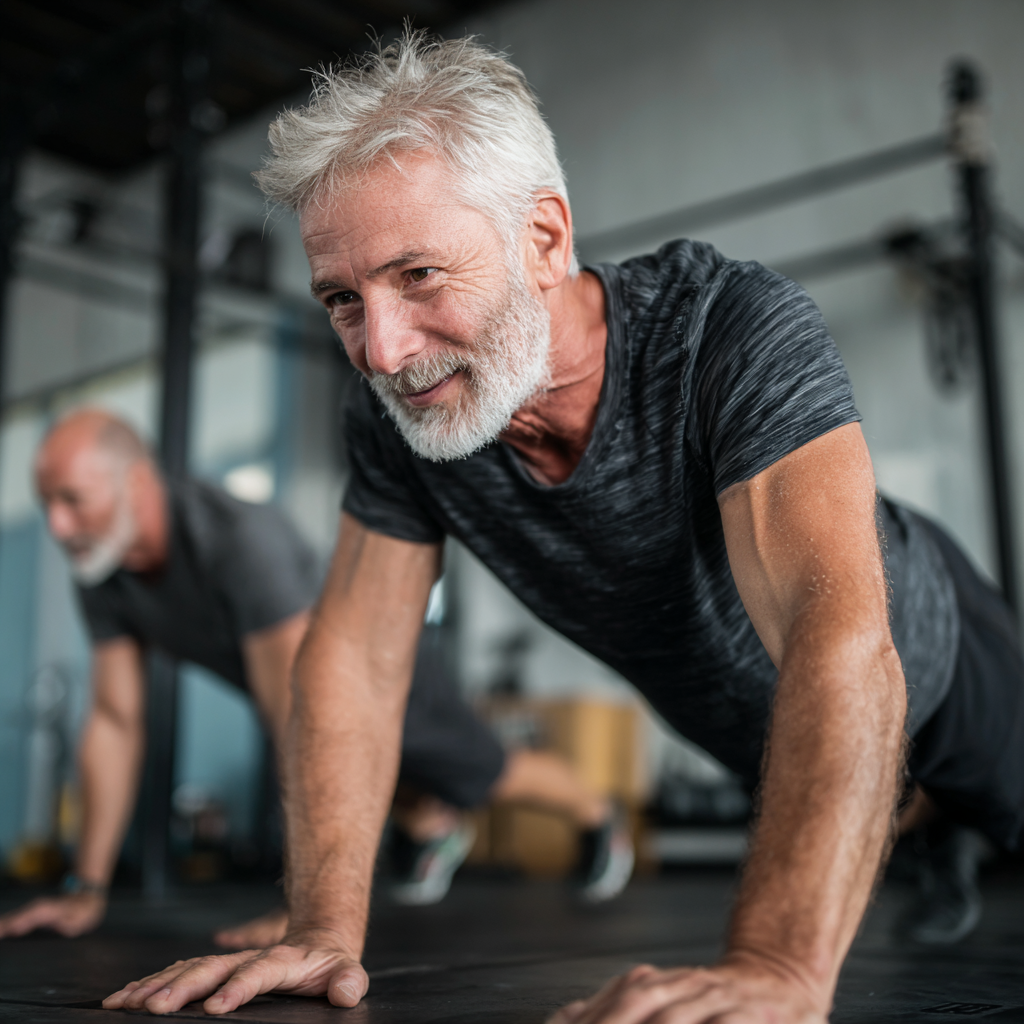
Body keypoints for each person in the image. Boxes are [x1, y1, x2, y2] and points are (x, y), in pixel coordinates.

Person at [100, 33, 1024, 1024]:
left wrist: (776, 965)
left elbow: (836, 634)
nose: (380, 348)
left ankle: (946, 822)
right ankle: (928, 831)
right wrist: (323, 925)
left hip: (936, 658)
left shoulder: (726, 328)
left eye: (416, 275)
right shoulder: (398, 415)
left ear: (542, 239)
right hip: (748, 721)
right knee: (904, 816)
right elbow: (357, 660)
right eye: (342, 299)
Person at [0, 409, 630, 946]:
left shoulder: (239, 539)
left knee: (486, 776)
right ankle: (430, 824)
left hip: (387, 670)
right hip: (312, 695)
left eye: (72, 501)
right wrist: (86, 888)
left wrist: (308, 912)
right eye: (47, 503)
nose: (57, 527)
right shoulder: (103, 566)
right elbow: (114, 721)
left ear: (135, 482)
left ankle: (597, 813)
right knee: (396, 780)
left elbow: (299, 715)